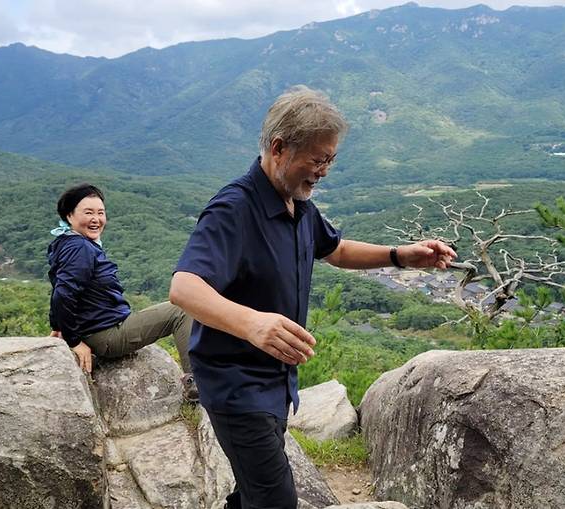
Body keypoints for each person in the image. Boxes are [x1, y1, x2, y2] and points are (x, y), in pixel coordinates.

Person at [170, 86, 457, 508]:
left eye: (330, 160)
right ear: (279, 147)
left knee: (252, 492)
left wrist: (400, 256)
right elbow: (184, 286)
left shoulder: (296, 203)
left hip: (274, 383)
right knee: (277, 499)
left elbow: (335, 250)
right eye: (318, 159)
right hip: (236, 386)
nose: (324, 170)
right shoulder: (235, 209)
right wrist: (253, 323)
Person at [48, 183, 198, 402]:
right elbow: (63, 293)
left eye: (100, 213)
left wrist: (58, 325)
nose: (96, 219)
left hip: (101, 327)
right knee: (182, 309)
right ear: (69, 216)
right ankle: (197, 384)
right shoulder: (79, 248)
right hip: (105, 335)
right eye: (88, 212)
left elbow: (60, 286)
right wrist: (73, 341)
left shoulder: (68, 242)